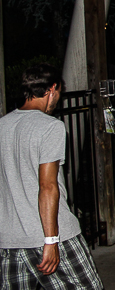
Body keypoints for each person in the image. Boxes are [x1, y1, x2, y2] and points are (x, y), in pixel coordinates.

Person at [0, 64, 103, 290]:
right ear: (52, 89)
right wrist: (51, 240)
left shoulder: (2, 126)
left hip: (9, 241)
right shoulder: (50, 127)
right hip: (50, 236)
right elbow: (47, 186)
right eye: (59, 95)